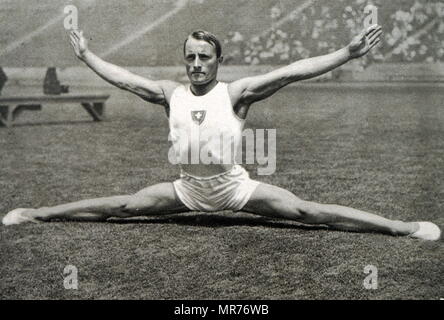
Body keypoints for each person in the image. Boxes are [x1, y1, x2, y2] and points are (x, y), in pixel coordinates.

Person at [3, 25, 441, 241]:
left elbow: (291, 72)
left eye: (205, 57)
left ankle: (402, 227)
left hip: (235, 190)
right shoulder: (168, 92)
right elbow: (123, 79)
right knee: (120, 207)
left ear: (218, 60)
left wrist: (346, 52)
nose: (196, 63)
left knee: (309, 214)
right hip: (187, 190)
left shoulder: (237, 93)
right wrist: (86, 57)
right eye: (190, 57)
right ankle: (35, 213)